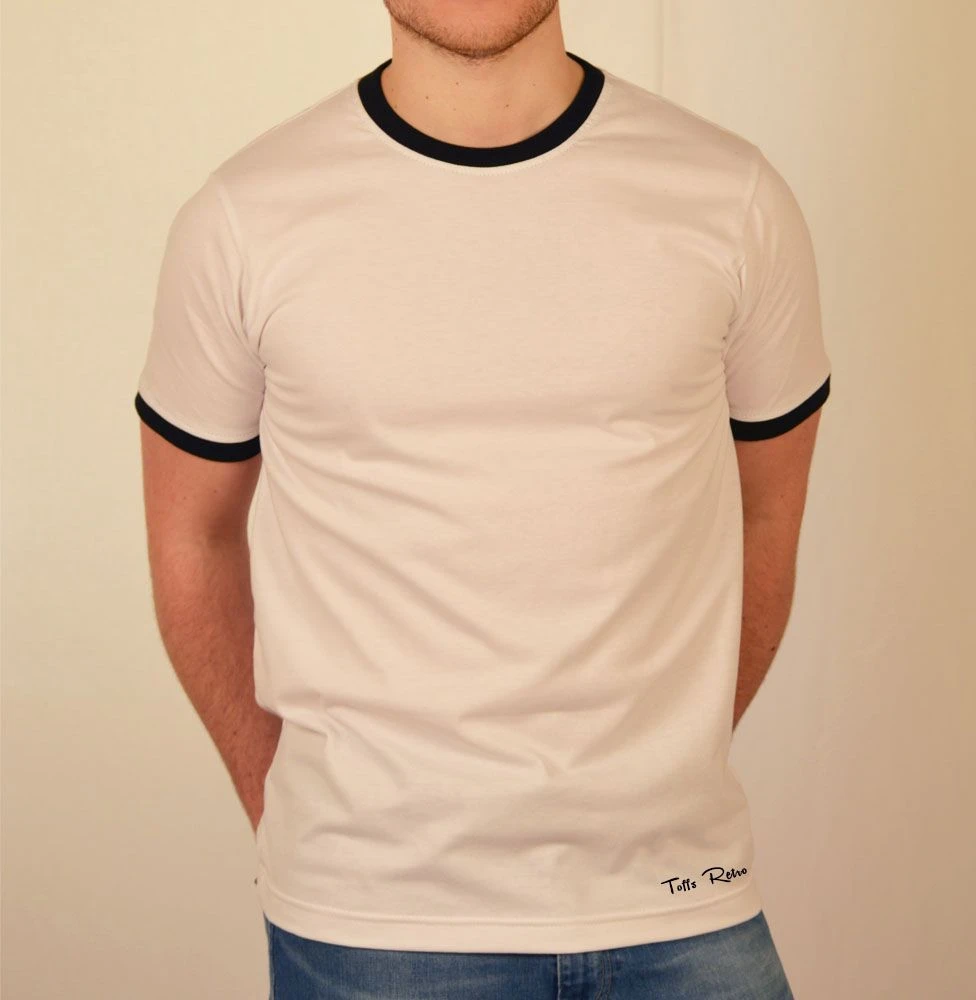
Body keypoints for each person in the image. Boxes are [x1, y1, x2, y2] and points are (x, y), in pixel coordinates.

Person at [134, 1, 829, 996]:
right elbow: (191, 538)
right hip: (373, 922)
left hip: (681, 900)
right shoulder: (243, 218)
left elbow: (768, 515)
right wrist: (291, 807)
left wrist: (659, 775)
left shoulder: (733, 198)